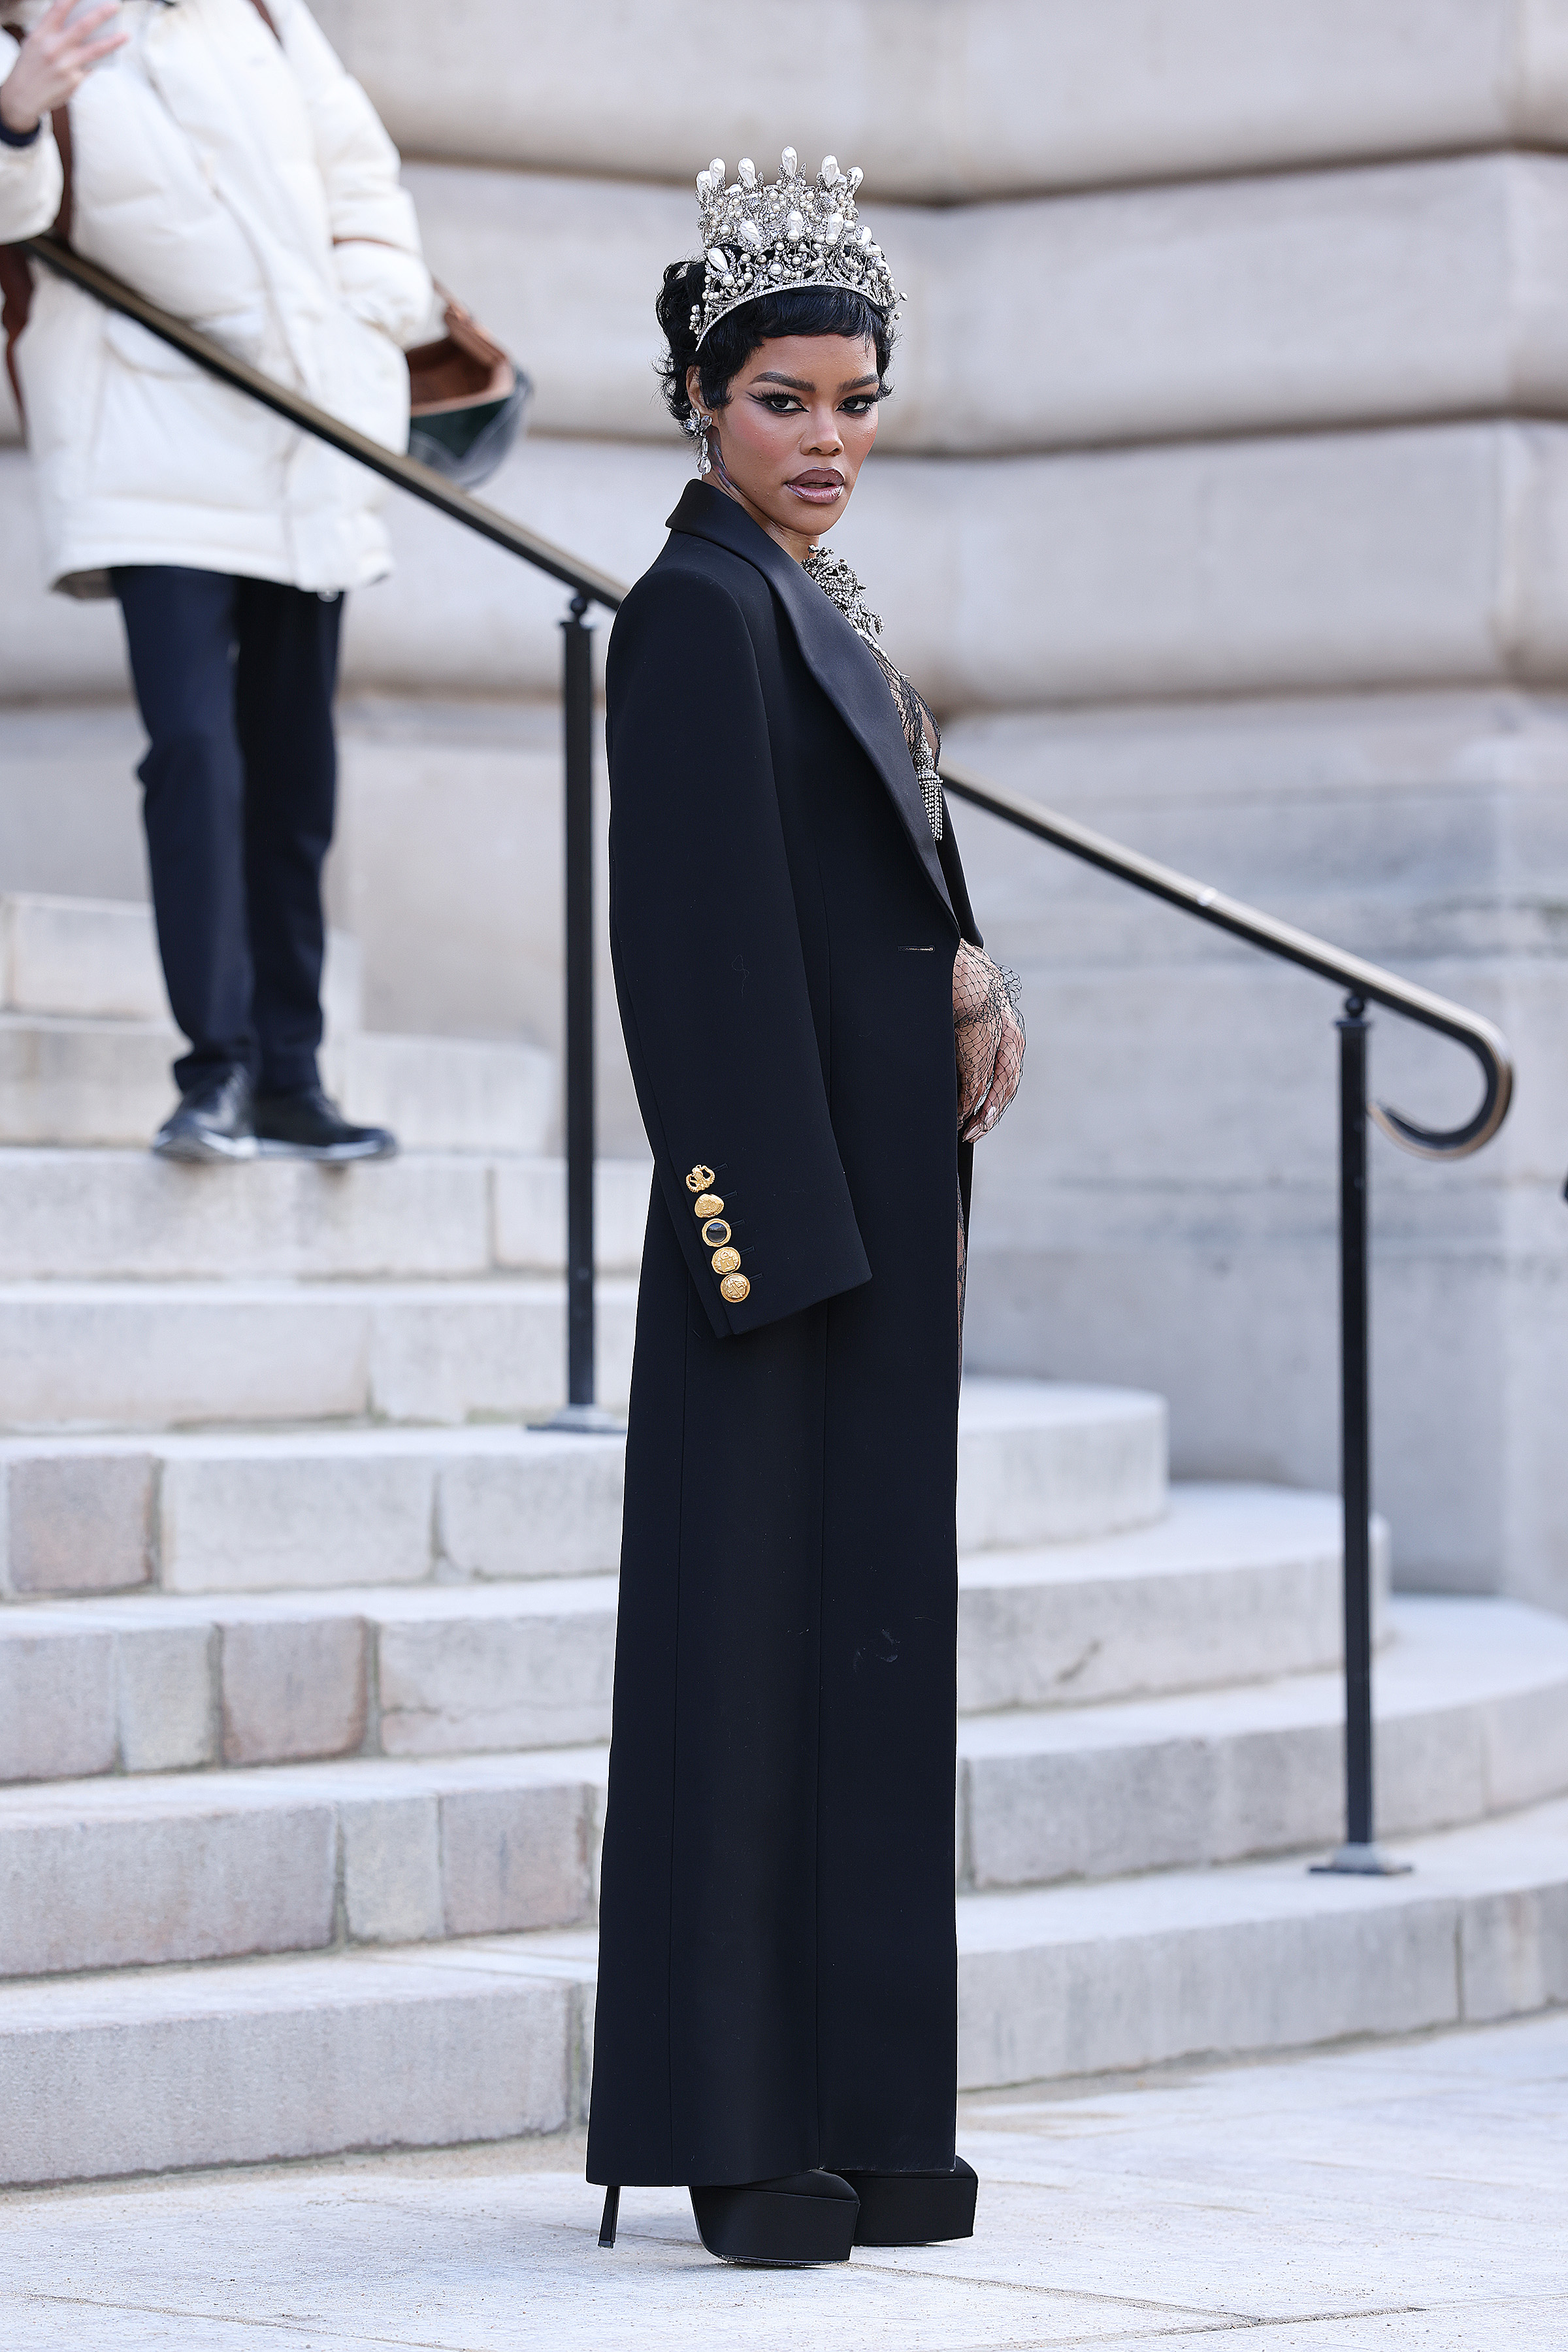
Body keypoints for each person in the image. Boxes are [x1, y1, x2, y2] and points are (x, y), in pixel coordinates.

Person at [587, 150, 1025, 2266]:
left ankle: (871, 2123)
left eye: (855, 401)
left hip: (874, 1222)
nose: (826, 439)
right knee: (746, 1689)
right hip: (779, 1249)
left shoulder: (810, 601)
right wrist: (763, 1250)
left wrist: (964, 965)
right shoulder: (692, 611)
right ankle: (741, 2142)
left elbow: (874, 866)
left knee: (864, 1677)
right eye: (782, 401)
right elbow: (686, 956)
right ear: (700, 399)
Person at [0, 0, 442, 1163]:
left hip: (300, 434)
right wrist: (16, 114)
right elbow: (15, 217)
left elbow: (359, 168)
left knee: (296, 773)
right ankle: (218, 1070)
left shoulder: (257, 13)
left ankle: (292, 1076)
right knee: (195, 753)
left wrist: (369, 310)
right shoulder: (34, 28)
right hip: (148, 442)